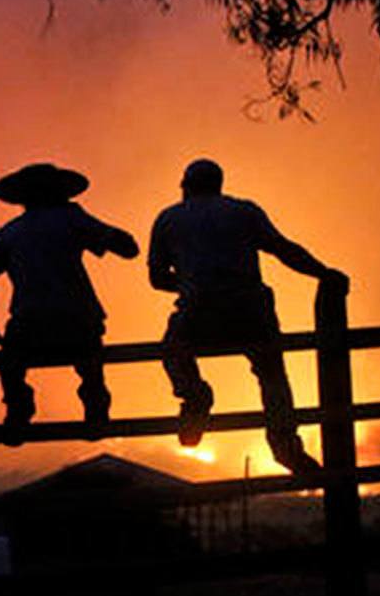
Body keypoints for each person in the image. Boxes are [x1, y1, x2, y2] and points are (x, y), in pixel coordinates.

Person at [147, 158, 347, 475]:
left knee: (173, 349)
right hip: (250, 310)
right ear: (219, 184)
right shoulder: (243, 211)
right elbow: (284, 249)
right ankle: (285, 447)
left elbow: (157, 278)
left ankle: (195, 394)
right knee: (272, 376)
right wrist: (324, 273)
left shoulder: (169, 219)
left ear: (186, 187)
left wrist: (190, 284)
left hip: (200, 313)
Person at [0, 162, 139, 445]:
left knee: (11, 362)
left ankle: (18, 407)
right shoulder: (71, 218)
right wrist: (114, 237)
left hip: (29, 323)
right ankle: (95, 407)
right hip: (77, 320)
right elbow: (129, 249)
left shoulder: (9, 233)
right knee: (90, 361)